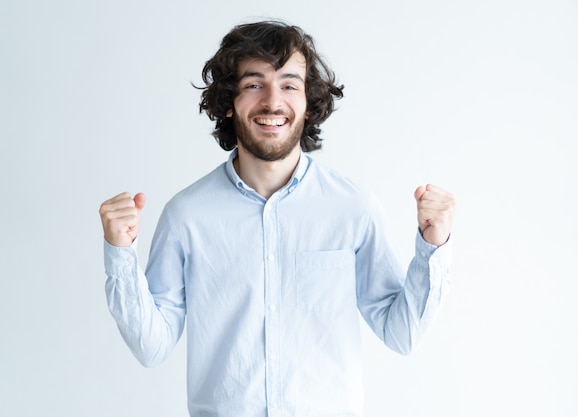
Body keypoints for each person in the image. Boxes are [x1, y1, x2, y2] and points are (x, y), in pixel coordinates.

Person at [99, 20, 455, 417]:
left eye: (289, 84)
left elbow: (400, 334)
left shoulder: (354, 207)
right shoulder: (186, 216)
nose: (272, 101)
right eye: (254, 84)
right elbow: (152, 347)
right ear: (229, 101)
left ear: (308, 101)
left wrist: (433, 247)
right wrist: (120, 255)